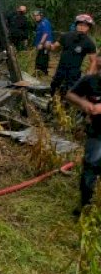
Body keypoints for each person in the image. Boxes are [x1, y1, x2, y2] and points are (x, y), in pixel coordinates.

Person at [66, 74, 101, 213]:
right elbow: (70, 95)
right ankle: (86, 206)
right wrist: (84, 103)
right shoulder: (90, 80)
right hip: (97, 133)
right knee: (91, 167)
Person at [49, 14, 97, 98]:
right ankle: (52, 102)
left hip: (74, 71)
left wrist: (90, 73)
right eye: (80, 25)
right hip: (61, 68)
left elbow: (93, 60)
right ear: (76, 25)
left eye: (85, 26)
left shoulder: (89, 43)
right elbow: (54, 47)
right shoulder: (66, 36)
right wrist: (49, 45)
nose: (82, 27)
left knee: (69, 91)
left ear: (88, 28)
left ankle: (65, 107)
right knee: (54, 85)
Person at [33, 10, 54, 75]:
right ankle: (40, 72)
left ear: (41, 16)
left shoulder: (44, 23)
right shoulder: (40, 23)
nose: (35, 17)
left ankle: (42, 72)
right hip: (42, 44)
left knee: (42, 58)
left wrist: (41, 43)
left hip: (44, 44)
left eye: (37, 16)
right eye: (34, 16)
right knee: (42, 57)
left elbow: (45, 34)